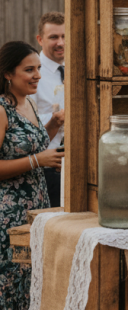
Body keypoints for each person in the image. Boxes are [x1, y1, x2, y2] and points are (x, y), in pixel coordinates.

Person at [0, 42, 64, 310]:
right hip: (7, 219)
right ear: (8, 73)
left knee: (26, 299)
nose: (37, 75)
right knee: (8, 304)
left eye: (38, 68)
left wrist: (53, 127)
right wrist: (39, 159)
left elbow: (33, 145)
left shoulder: (26, 105)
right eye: (29, 70)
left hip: (32, 215)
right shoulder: (2, 108)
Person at [34, 12, 66, 207]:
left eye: (64, 36)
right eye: (53, 37)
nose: (60, 42)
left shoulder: (77, 66)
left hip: (76, 162)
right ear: (40, 39)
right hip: (46, 166)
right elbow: (23, 118)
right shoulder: (31, 72)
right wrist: (57, 118)